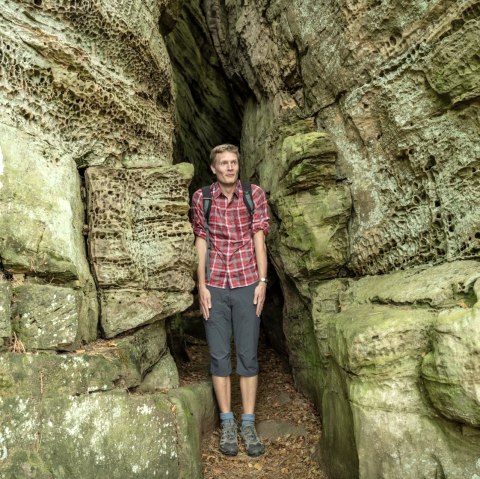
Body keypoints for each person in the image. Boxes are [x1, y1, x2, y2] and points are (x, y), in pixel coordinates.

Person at [191, 144, 269, 457]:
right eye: (223, 163)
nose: (229, 168)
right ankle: (227, 423)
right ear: (213, 168)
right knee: (219, 356)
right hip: (215, 285)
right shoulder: (202, 198)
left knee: (248, 355)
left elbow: (259, 239)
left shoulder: (254, 194)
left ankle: (248, 424)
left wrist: (263, 282)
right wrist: (201, 286)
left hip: (247, 282)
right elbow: (201, 240)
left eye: (234, 162)